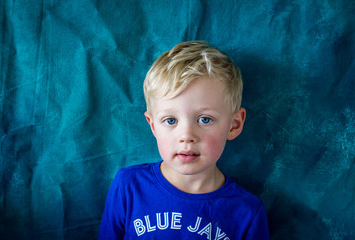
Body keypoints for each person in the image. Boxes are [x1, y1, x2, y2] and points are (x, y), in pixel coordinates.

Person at [99, 41, 270, 239]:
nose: (186, 135)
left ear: (234, 125)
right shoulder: (128, 187)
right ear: (153, 125)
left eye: (205, 119)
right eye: (170, 120)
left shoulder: (247, 213)